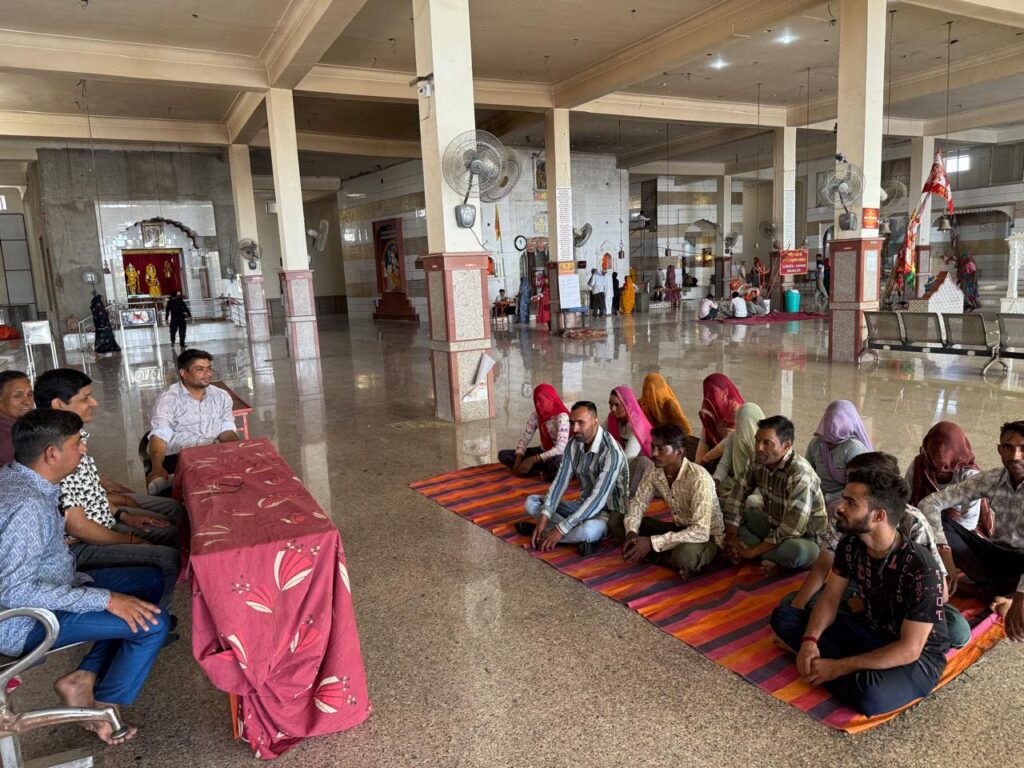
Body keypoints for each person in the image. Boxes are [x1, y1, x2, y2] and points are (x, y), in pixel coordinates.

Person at [0, 409, 169, 744]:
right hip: (22, 621)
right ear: (52, 454)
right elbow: (16, 591)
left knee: (150, 578)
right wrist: (105, 598)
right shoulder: (27, 505)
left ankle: (84, 677)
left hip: (59, 583)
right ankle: (102, 710)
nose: (84, 450)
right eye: (78, 444)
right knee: (153, 624)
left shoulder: (18, 476)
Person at [770, 466, 951, 717]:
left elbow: (910, 648)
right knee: (784, 617)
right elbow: (830, 598)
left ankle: (834, 668)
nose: (839, 507)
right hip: (872, 629)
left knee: (870, 695)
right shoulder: (850, 544)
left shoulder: (921, 568)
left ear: (878, 516)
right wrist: (810, 640)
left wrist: (838, 667)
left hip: (918, 656)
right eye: (844, 498)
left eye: (851, 502)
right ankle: (831, 663)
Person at [786, 451, 970, 648]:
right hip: (861, 588)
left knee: (956, 629)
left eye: (857, 487)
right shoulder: (844, 515)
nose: (845, 500)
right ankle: (874, 639)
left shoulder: (912, 522)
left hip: (906, 600)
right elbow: (824, 567)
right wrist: (799, 605)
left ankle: (874, 640)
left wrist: (871, 607)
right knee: (794, 606)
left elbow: (938, 593)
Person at [35, 368, 182, 610]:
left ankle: (150, 601)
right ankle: (151, 619)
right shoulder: (57, 451)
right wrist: (132, 539)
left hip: (101, 518)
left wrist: (121, 513)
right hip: (78, 544)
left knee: (168, 525)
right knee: (166, 555)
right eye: (85, 398)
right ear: (58, 404)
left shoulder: (70, 434)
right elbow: (78, 525)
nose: (94, 402)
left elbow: (89, 491)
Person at [917, 421, 1024, 640]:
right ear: (999, 450)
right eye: (1008, 447)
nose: (1015, 456)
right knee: (939, 523)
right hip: (994, 558)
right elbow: (929, 504)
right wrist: (944, 551)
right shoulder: (992, 479)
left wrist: (1022, 595)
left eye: (1023, 448)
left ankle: (1009, 595)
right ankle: (1002, 594)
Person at [608, 424, 723, 579]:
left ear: (679, 451)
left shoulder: (698, 478)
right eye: (653, 447)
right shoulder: (655, 469)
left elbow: (700, 531)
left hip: (705, 538)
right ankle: (669, 558)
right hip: (677, 530)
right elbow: (638, 503)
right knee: (617, 520)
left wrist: (651, 543)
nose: (654, 453)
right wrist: (632, 533)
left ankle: (675, 557)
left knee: (683, 556)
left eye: (661, 449)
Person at [518, 401, 629, 557]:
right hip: (582, 506)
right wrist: (544, 517)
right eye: (572, 423)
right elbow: (559, 484)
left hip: (610, 515)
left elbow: (597, 500)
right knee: (532, 502)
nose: (574, 429)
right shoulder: (574, 444)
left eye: (581, 423)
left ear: (595, 422)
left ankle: (545, 533)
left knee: (588, 530)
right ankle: (569, 535)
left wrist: (560, 529)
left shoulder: (612, 452)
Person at [723, 415, 827, 572]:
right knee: (720, 506)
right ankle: (764, 554)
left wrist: (752, 552)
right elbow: (737, 497)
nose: (759, 448)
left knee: (793, 552)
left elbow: (792, 528)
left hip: (804, 538)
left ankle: (760, 553)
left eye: (766, 443)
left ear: (786, 445)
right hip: (773, 525)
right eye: (757, 440)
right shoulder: (757, 459)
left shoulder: (800, 473)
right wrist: (731, 537)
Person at [147, 349, 238, 491]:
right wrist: (157, 467)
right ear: (183, 373)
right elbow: (160, 435)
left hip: (212, 455)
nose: (208, 374)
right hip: (179, 458)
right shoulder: (168, 399)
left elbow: (226, 429)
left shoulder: (221, 396)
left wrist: (237, 448)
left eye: (209, 369)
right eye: (200, 369)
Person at [907, 422, 989, 534]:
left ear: (956, 458)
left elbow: (969, 522)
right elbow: (905, 498)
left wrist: (938, 535)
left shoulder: (970, 476)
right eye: (932, 463)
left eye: (945, 466)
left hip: (956, 527)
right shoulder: (919, 464)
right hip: (923, 521)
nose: (939, 471)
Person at [806, 400, 872, 510]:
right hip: (817, 499)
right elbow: (807, 474)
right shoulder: (816, 444)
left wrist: (826, 499)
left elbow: (859, 487)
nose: (833, 427)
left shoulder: (853, 448)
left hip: (846, 501)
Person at [498, 384, 570, 483]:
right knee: (504, 455)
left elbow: (561, 448)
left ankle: (537, 469)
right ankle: (540, 471)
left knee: (556, 464)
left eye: (541, 401)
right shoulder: (535, 416)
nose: (538, 405)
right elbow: (524, 440)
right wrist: (518, 460)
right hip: (545, 453)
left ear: (551, 401)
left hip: (563, 455)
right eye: (536, 401)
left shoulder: (562, 417)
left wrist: (532, 460)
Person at [712, 402, 765, 499]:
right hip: (736, 483)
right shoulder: (733, 437)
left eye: (745, 424)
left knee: (751, 501)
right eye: (739, 422)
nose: (742, 427)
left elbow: (763, 481)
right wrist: (714, 483)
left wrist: (737, 494)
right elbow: (724, 464)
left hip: (757, 489)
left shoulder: (764, 445)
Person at [606, 386, 653, 496]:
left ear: (627, 405)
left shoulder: (638, 425)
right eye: (610, 404)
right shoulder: (612, 419)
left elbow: (628, 458)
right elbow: (597, 436)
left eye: (617, 405)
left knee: (642, 462)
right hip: (624, 468)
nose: (612, 409)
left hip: (639, 468)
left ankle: (626, 496)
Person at [696, 373, 744, 466]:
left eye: (712, 392)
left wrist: (705, 459)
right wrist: (697, 463)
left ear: (725, 393)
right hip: (718, 451)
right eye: (706, 392)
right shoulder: (712, 406)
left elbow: (728, 444)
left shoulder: (737, 412)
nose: (708, 396)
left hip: (734, 456)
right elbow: (704, 435)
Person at [0, 370, 33, 465]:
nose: (27, 401)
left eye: (30, 394)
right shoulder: (5, 439)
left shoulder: (21, 424)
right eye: (17, 396)